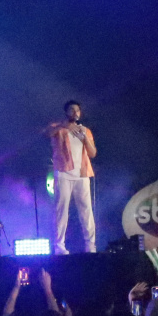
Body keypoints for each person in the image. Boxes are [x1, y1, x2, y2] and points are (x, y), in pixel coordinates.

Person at [48, 100, 97, 255]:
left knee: (86, 211)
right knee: (61, 210)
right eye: (72, 110)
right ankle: (59, 246)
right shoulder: (59, 128)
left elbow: (93, 153)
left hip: (82, 174)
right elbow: (47, 133)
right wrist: (64, 126)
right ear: (66, 112)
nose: (75, 113)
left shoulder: (85, 130)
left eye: (78, 110)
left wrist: (85, 138)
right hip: (63, 173)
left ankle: (90, 245)